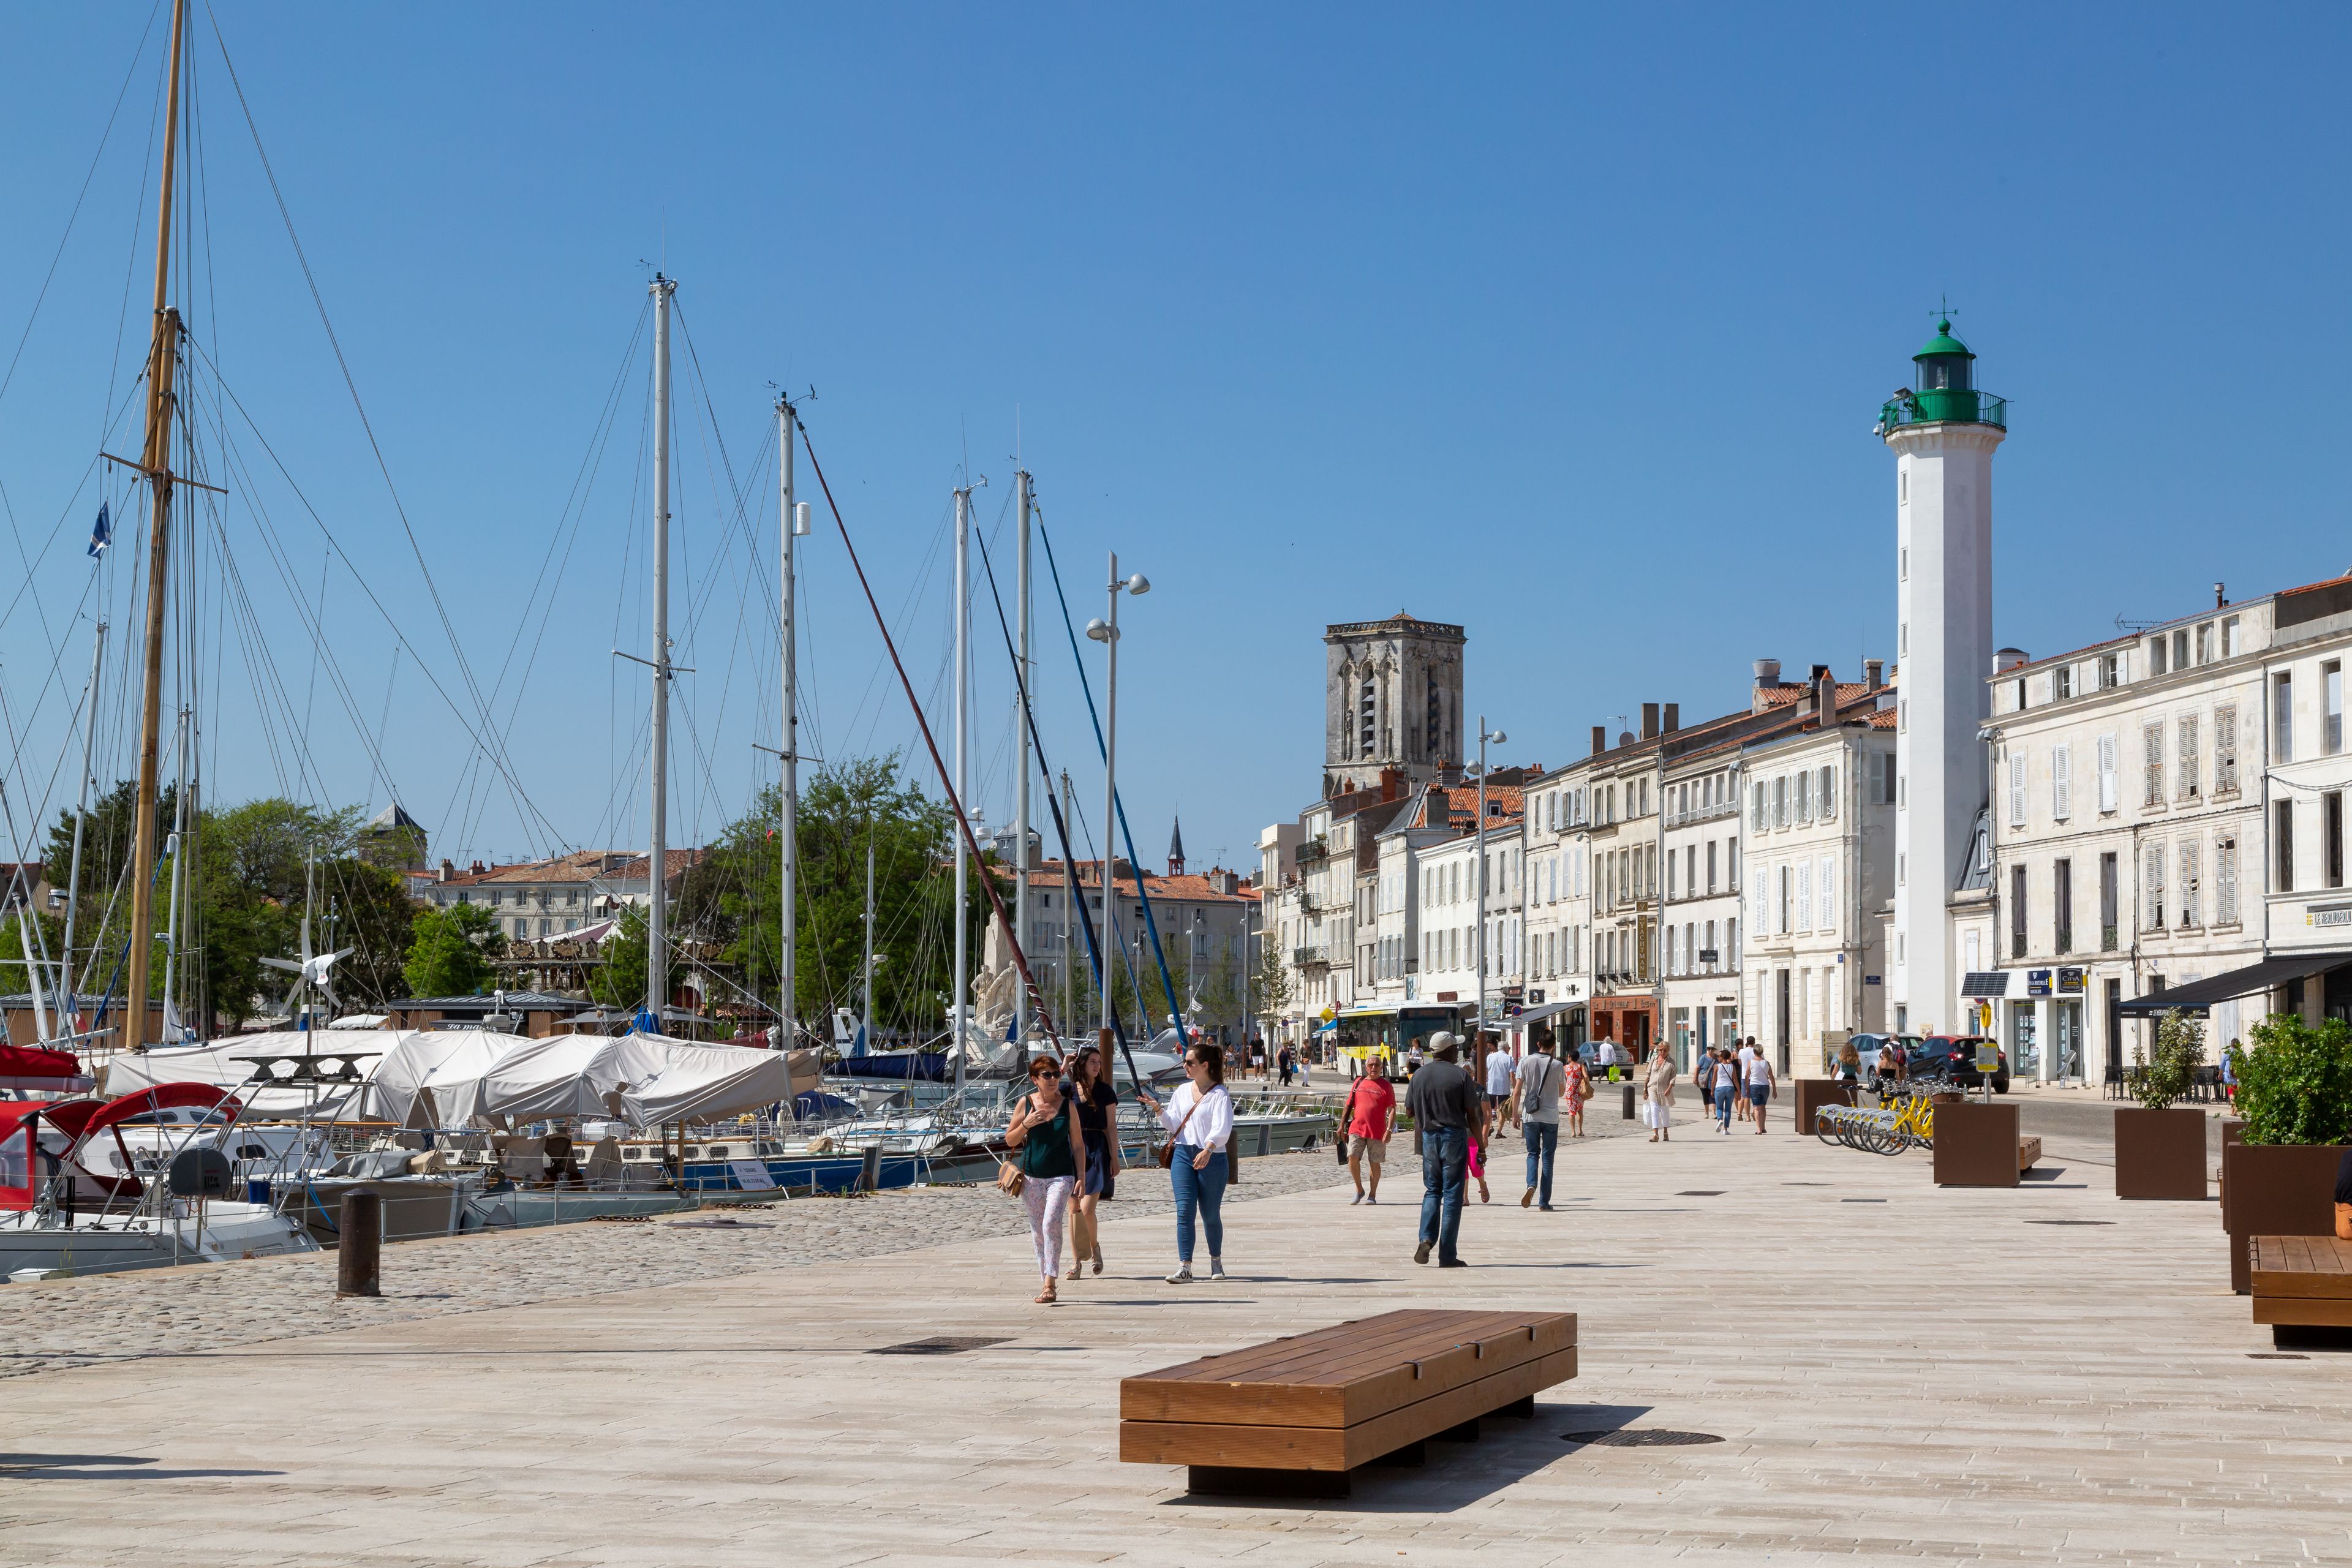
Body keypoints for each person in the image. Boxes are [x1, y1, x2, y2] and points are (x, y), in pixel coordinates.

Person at [1136, 1042, 1234, 1283]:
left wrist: (1209, 1149)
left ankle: (1216, 1262)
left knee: (1210, 1214)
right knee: (1184, 1211)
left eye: (1189, 1062)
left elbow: (1223, 1128)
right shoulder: (1182, 1091)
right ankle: (1185, 1266)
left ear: (1205, 1065)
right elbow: (1174, 1125)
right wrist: (1158, 1108)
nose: (1185, 1066)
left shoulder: (1219, 1094)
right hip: (1182, 1153)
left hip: (1212, 1156)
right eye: (1185, 1062)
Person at [1005, 1054, 1088, 1305]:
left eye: (1056, 1074)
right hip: (1031, 1177)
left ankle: (1050, 1282)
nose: (1053, 1079)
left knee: (1051, 1222)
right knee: (1038, 1231)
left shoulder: (1068, 1105)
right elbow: (1010, 1140)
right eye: (1047, 1075)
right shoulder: (1026, 1103)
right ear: (1035, 1079)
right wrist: (1027, 1124)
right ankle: (1045, 1280)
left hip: (1062, 1175)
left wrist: (1081, 1176)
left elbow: (1078, 1145)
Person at [1405, 1032, 1478, 1267]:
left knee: (1432, 1190)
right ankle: (1447, 1255)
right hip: (1453, 1137)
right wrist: (1482, 1146)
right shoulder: (1461, 1076)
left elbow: (1408, 1112)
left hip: (1429, 1137)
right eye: (1455, 1048)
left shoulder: (1418, 1076)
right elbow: (1472, 1115)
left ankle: (1426, 1238)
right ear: (1447, 1051)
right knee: (1453, 1195)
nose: (1457, 1051)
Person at [1066, 1041, 1121, 1281]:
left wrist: (1115, 1157)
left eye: (1099, 1062)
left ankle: (1094, 1248)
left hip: (1097, 1148)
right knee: (1074, 1209)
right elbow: (1043, 1096)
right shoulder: (1067, 1090)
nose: (1097, 1066)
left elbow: (1111, 1126)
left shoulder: (1105, 1091)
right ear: (1082, 1064)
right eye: (1092, 1061)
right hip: (1073, 1148)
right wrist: (1062, 1067)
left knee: (1087, 1208)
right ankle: (1077, 1261)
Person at [1514, 1031, 1564, 1209]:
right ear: (1553, 1046)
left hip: (1531, 1115)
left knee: (1532, 1153)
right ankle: (1544, 1202)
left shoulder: (1525, 1061)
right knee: (1548, 1158)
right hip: (1551, 1117)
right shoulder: (1557, 1065)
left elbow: (1517, 1090)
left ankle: (1531, 1184)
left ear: (1538, 1044)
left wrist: (1515, 1114)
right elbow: (1561, 1092)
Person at [1340, 1055, 1396, 1204]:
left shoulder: (1386, 1086)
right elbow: (1348, 1104)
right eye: (1371, 1065)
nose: (1374, 1068)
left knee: (1374, 1162)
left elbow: (1392, 1110)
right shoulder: (1359, 1082)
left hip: (1377, 1131)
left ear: (1381, 1068)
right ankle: (1359, 1189)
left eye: (1377, 1065)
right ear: (1366, 1067)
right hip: (1357, 1127)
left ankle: (1372, 1195)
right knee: (1352, 1156)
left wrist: (1389, 1130)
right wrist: (1341, 1125)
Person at [1483, 1031, 1517, 1132]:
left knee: (1489, 1109)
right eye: (1509, 1048)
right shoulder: (1509, 1058)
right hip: (1504, 1087)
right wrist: (1516, 1088)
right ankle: (1499, 1131)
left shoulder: (1490, 1057)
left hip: (1491, 1086)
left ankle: (1490, 1126)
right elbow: (1512, 1075)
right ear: (1506, 1049)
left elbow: (1486, 1072)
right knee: (1502, 1109)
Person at [1643, 1046, 1677, 1142]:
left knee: (1665, 1111)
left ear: (1668, 1051)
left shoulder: (1671, 1062)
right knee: (1654, 1110)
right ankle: (1655, 1134)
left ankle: (1665, 1132)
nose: (1662, 1052)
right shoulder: (1654, 1059)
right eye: (1660, 1050)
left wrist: (1670, 1088)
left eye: (1665, 1050)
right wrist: (1645, 1089)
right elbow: (1648, 1075)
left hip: (1664, 1089)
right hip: (1652, 1088)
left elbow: (1673, 1077)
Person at [1744, 1040, 1777, 1134]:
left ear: (1754, 1052)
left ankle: (1758, 1129)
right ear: (1762, 1052)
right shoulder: (1766, 1063)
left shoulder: (1751, 1063)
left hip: (1754, 1086)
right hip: (1765, 1086)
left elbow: (1747, 1076)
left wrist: (1747, 1088)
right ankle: (1763, 1127)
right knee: (1763, 1107)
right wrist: (1774, 1090)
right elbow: (1771, 1077)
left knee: (1756, 1108)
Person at [1562, 1046, 1590, 1139]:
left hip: (1570, 1092)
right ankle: (1580, 1130)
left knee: (1571, 1112)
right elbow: (1586, 1077)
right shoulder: (1581, 1066)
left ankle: (1573, 1132)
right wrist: (1587, 1083)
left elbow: (1564, 1079)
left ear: (1570, 1057)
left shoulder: (1565, 1068)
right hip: (1579, 1092)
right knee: (1580, 1111)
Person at [1708, 1047, 1738, 1133]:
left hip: (1719, 1088)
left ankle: (1720, 1120)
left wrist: (1712, 1090)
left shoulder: (1717, 1066)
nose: (1718, 1057)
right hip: (1730, 1088)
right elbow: (1735, 1080)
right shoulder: (1732, 1067)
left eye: (1720, 1056)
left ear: (1723, 1057)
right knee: (1728, 1109)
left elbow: (1714, 1080)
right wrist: (1738, 1091)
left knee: (1719, 1108)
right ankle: (1726, 1129)